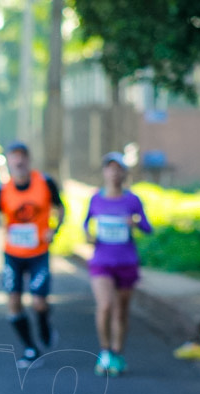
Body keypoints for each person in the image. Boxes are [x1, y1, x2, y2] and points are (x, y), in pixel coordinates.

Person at [0, 141, 66, 369]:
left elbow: (60, 209)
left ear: (29, 160)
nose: (18, 162)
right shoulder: (2, 191)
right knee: (13, 303)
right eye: (14, 157)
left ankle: (44, 323)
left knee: (39, 303)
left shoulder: (45, 183)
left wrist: (54, 229)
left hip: (38, 252)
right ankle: (30, 347)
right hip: (13, 255)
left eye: (22, 157)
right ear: (8, 162)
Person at [83, 152, 152, 376]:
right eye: (110, 168)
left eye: (118, 168)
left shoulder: (132, 200)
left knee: (121, 311)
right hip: (101, 261)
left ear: (124, 172)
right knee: (105, 305)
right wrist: (89, 236)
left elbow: (147, 227)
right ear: (104, 172)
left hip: (126, 262)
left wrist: (134, 222)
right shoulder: (96, 199)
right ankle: (104, 351)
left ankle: (118, 353)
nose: (114, 173)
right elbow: (86, 225)